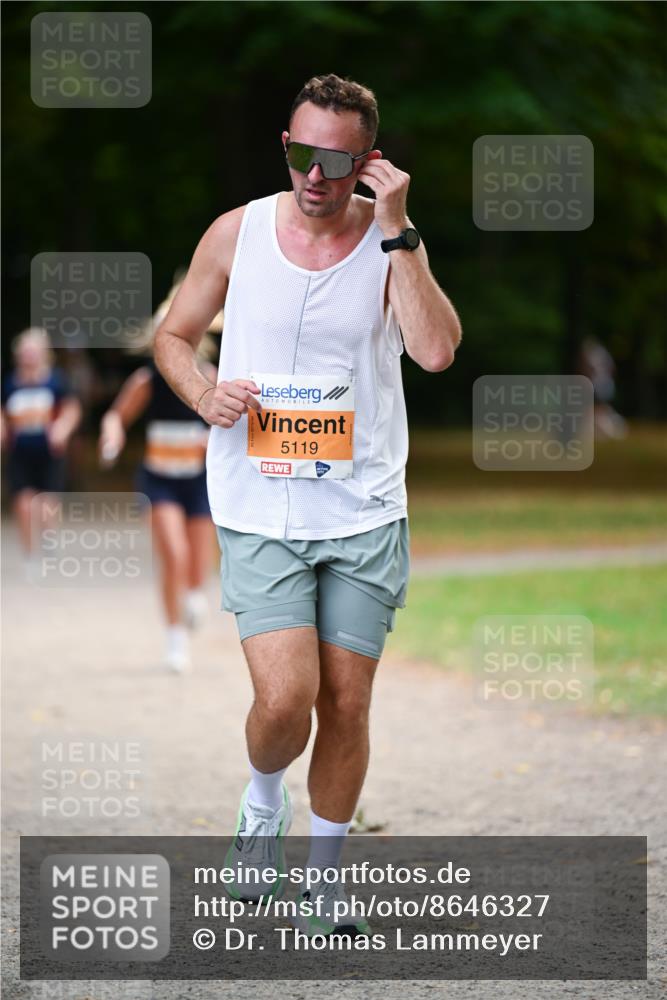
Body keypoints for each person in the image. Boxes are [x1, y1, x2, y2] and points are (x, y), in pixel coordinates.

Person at [154, 73, 461, 933]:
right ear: (284, 146)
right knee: (286, 701)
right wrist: (204, 390)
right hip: (258, 505)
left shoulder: (392, 244)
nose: (315, 175)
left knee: (348, 703)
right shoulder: (237, 232)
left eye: (335, 158)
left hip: (361, 509)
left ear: (368, 160)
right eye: (301, 153)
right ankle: (261, 803)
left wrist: (398, 233)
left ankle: (325, 877)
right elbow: (174, 338)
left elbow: (435, 353)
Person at [98, 283, 220, 673]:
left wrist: (211, 439)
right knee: (174, 555)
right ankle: (175, 640)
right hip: (159, 481)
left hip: (199, 481)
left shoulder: (210, 376)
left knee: (198, 563)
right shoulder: (147, 380)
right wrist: (113, 436)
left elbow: (230, 428)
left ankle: (196, 592)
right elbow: (117, 416)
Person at [1, 327, 81, 561]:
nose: (29, 357)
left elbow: (72, 409)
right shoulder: (10, 383)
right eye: (25, 352)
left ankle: (48, 538)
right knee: (23, 504)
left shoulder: (56, 381)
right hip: (20, 453)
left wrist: (62, 430)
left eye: (33, 352)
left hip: (49, 452)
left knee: (47, 503)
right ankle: (30, 554)